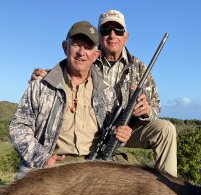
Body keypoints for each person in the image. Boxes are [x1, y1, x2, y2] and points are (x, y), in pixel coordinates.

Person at [31, 10, 178, 177]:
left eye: (118, 30)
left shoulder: (140, 67)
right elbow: (67, 72)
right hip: (96, 130)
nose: (112, 35)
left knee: (166, 129)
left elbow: (156, 106)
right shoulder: (89, 56)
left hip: (126, 130)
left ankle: (169, 188)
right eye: (106, 30)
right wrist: (46, 77)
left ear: (126, 36)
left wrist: (148, 111)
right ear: (99, 36)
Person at [10, 21, 132, 179]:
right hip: (51, 166)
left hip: (94, 166)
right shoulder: (41, 86)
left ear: (96, 55)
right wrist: (42, 158)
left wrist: (121, 136)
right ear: (65, 47)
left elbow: (112, 137)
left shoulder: (107, 92)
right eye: (76, 44)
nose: (81, 52)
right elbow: (18, 128)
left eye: (88, 47)